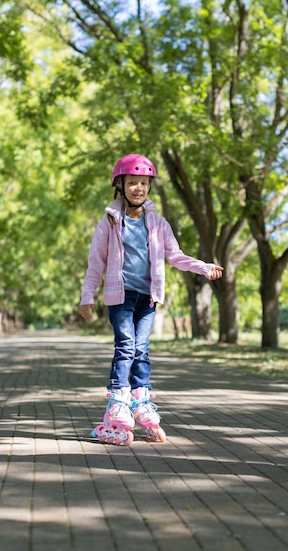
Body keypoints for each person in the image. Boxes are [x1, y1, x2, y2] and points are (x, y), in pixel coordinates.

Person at [79, 154, 223, 445]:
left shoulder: (157, 223)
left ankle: (141, 400)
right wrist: (87, 296)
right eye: (132, 183)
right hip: (120, 296)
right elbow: (96, 262)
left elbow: (175, 256)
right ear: (120, 186)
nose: (138, 188)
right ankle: (119, 401)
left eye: (143, 183)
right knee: (126, 346)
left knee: (142, 349)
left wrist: (202, 266)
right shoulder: (109, 222)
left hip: (148, 297)